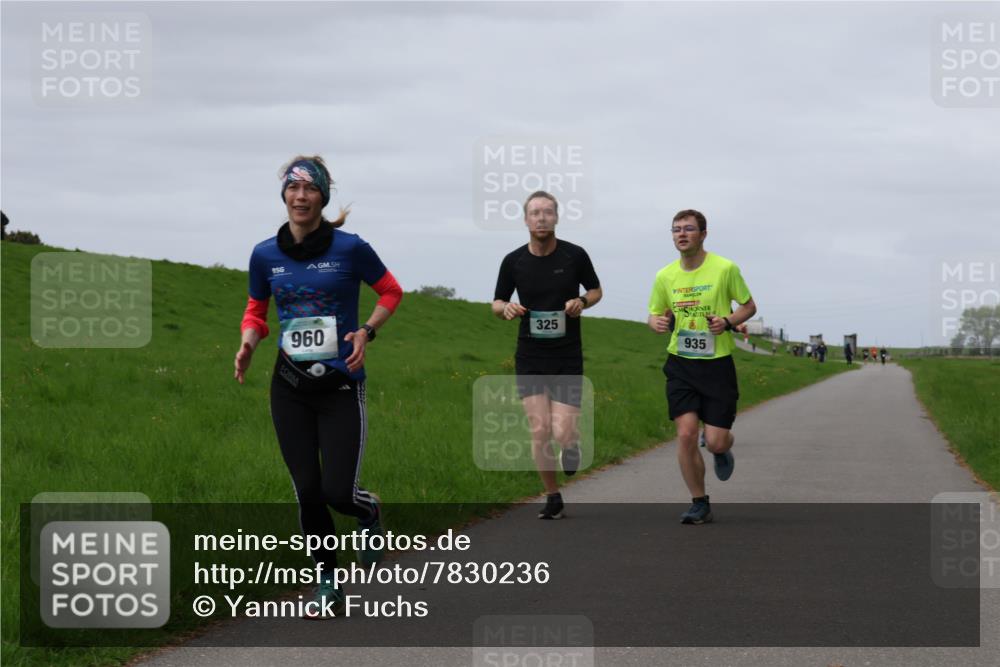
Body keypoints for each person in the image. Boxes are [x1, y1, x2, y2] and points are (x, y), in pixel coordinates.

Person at [233, 155, 403, 618]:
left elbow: (391, 291)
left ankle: (367, 512)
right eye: (293, 189)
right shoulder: (264, 254)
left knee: (337, 492)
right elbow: (256, 309)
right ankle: (326, 582)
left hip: (341, 385)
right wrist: (249, 341)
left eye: (310, 190)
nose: (301, 197)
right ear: (284, 195)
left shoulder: (350, 249)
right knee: (307, 490)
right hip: (288, 385)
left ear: (323, 197)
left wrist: (366, 332)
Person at [493, 190, 602, 520]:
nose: (541, 218)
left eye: (547, 212)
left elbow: (596, 290)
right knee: (540, 430)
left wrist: (581, 302)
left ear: (556, 217)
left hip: (567, 355)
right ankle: (552, 496)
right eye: (535, 213)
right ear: (526, 220)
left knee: (562, 431)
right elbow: (496, 302)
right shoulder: (514, 261)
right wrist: (506, 308)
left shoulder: (574, 256)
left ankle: (571, 445)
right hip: (530, 355)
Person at [648, 209, 756, 525]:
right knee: (685, 434)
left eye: (689, 229)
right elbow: (655, 314)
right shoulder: (664, 276)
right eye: (676, 229)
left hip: (717, 365)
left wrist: (728, 321)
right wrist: (655, 322)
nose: (681, 234)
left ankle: (721, 450)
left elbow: (749, 306)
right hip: (680, 364)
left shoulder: (725, 269)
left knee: (716, 440)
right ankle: (699, 502)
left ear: (703, 234)